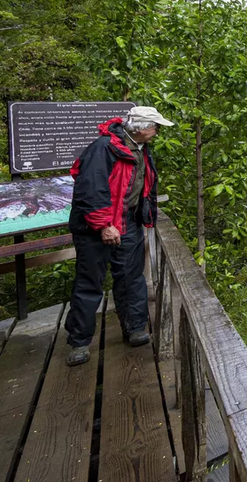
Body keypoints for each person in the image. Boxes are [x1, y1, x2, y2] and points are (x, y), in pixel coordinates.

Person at [64, 106, 173, 366]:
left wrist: (143, 215)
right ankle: (79, 343)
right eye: (154, 126)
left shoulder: (140, 148)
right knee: (90, 283)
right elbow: (90, 188)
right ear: (140, 127)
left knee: (131, 278)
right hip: (96, 227)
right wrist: (103, 225)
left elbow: (140, 186)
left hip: (128, 223)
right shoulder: (103, 148)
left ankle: (135, 328)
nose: (157, 131)